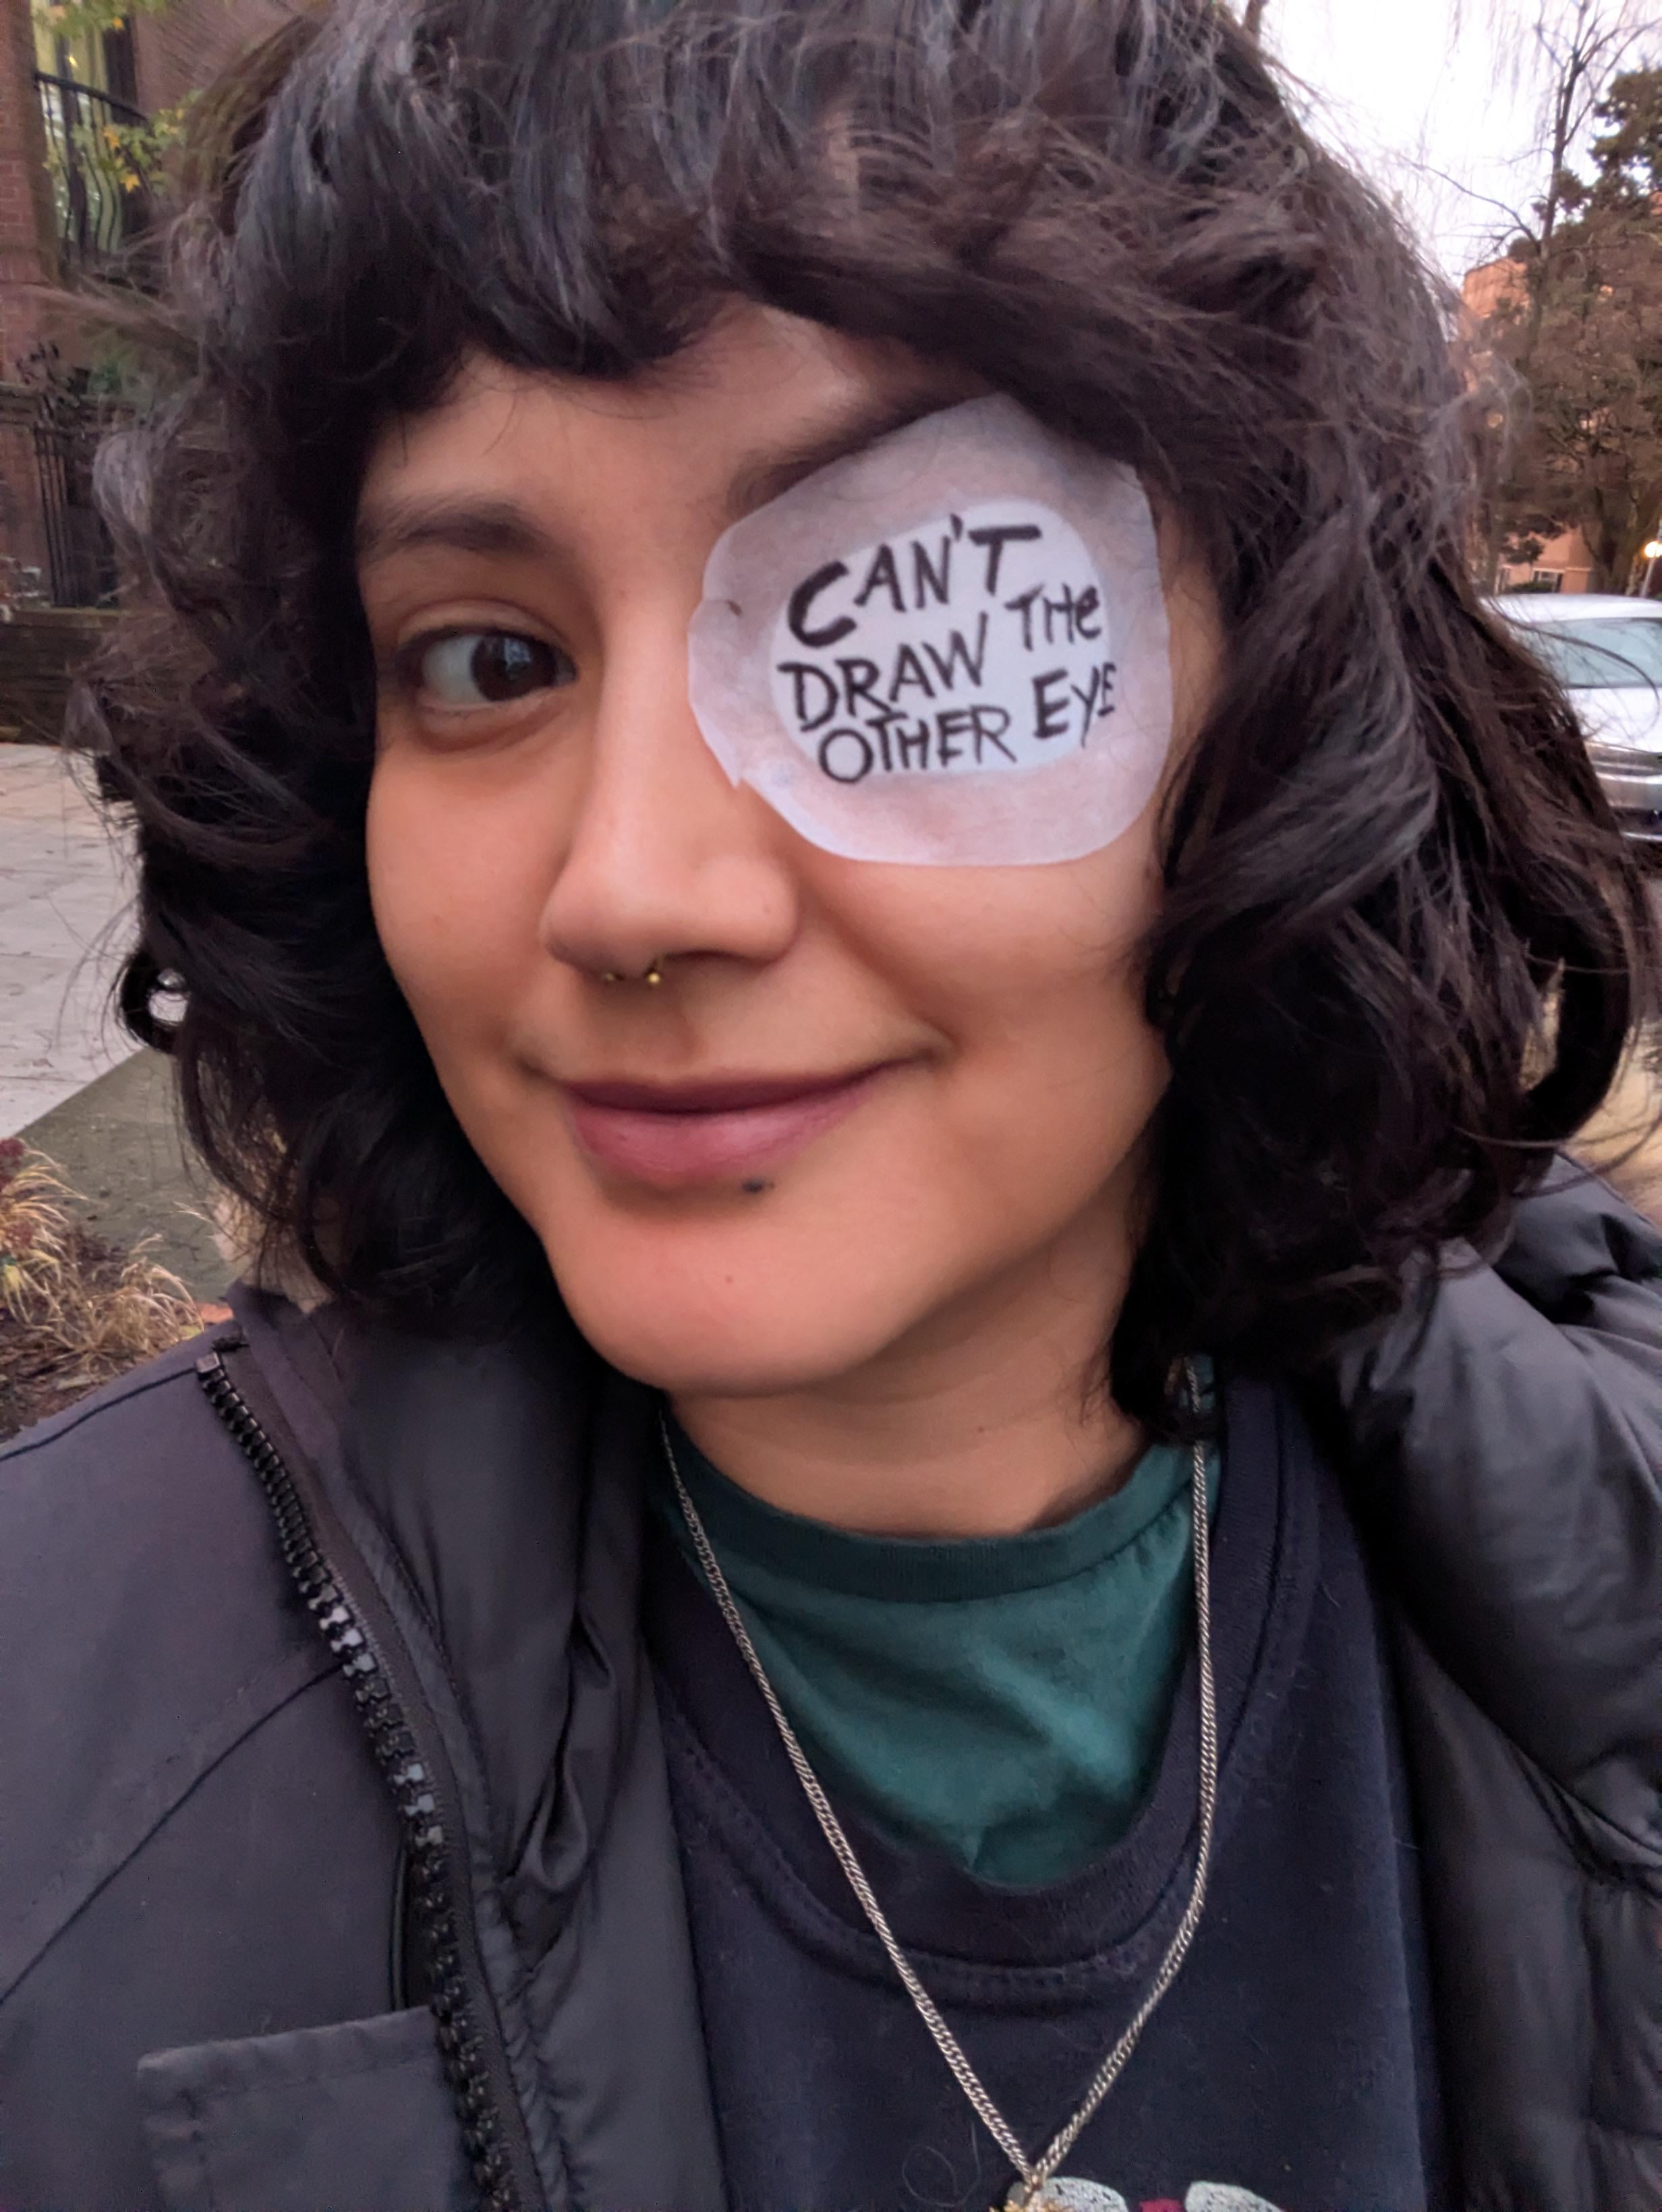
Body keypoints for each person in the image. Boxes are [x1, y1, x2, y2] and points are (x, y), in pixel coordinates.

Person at [2, 1, 1659, 2207]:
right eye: (491, 660)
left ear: (1276, 701)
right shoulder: (52, 1753)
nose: (630, 891)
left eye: (889, 616)